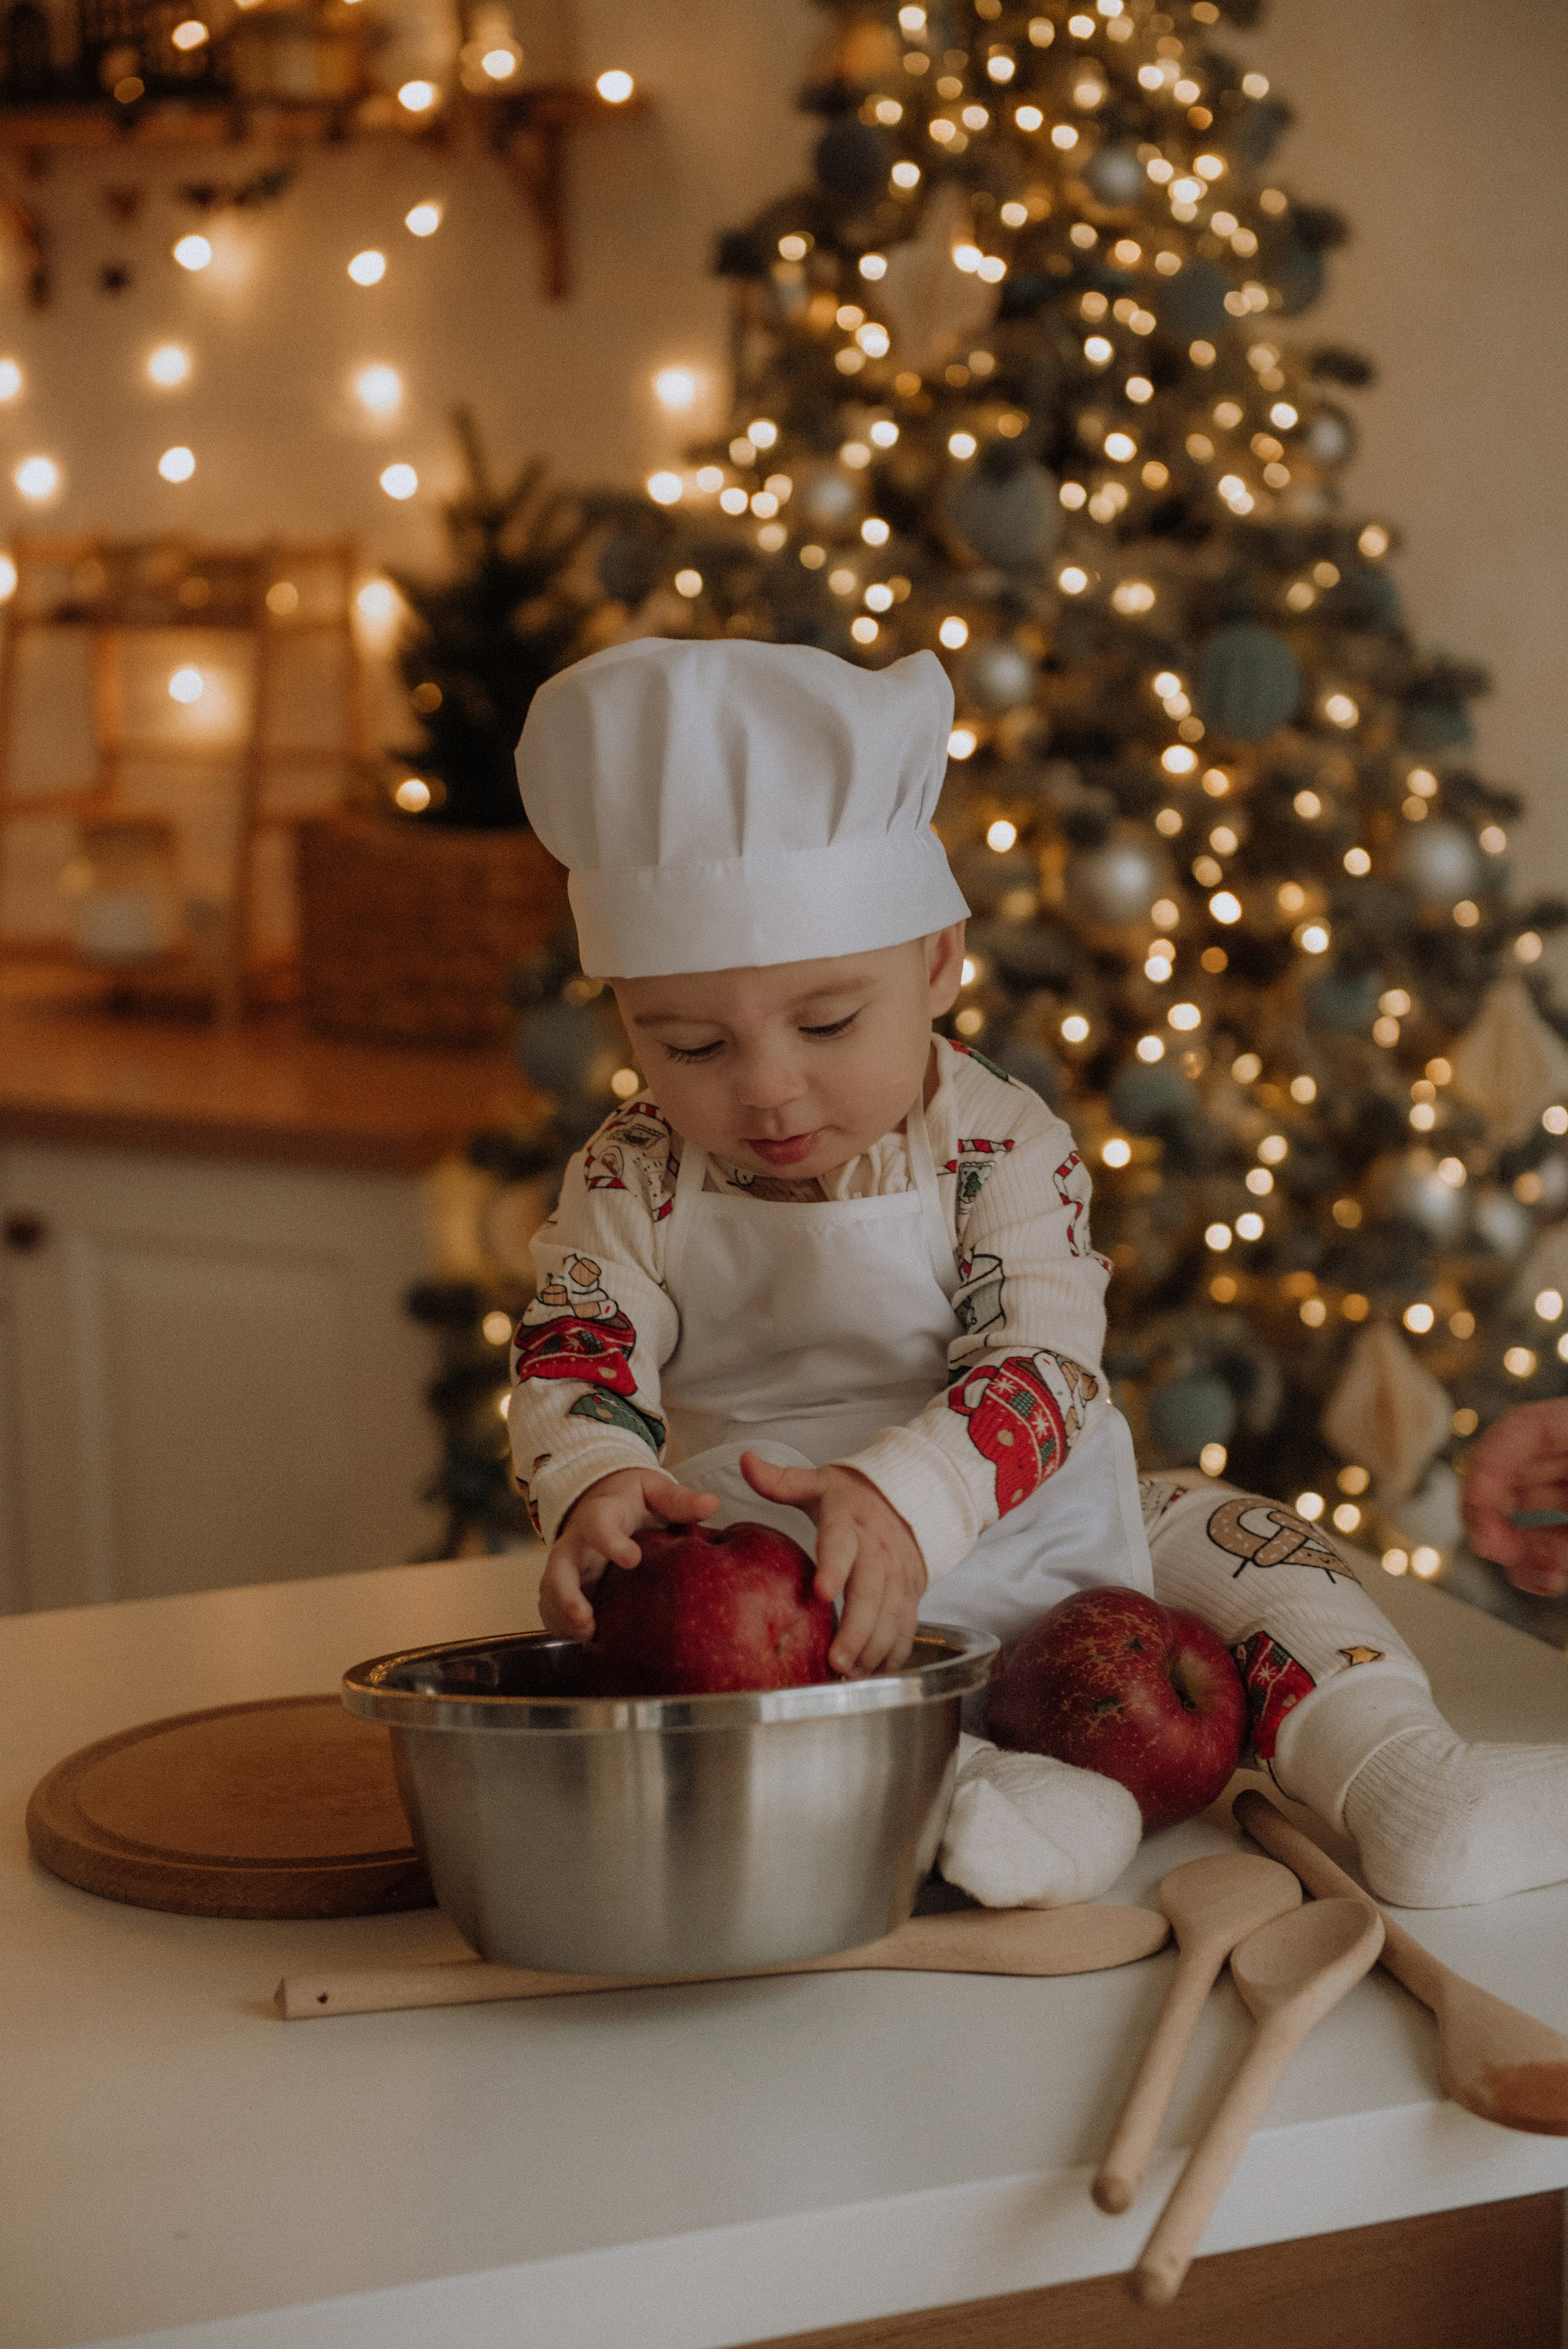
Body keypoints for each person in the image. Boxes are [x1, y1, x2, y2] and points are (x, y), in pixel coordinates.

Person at [510, 638, 1568, 1911]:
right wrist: (594, 1477)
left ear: (940, 962)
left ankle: (1400, 1776)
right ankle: (984, 1795)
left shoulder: (998, 1142)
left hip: (1042, 1514)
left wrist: (909, 1495)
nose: (766, 1087)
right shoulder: (630, 1175)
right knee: (772, 1708)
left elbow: (1043, 1361)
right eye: (687, 1044)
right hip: (779, 1568)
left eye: (828, 1023)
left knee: (1242, 1540)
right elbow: (577, 1346)